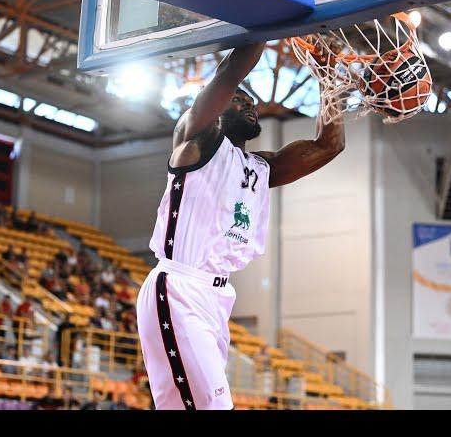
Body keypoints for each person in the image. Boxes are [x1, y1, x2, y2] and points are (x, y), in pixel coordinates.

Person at [136, 42, 345, 410]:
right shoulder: (194, 141)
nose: (249, 105)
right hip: (180, 286)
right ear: (217, 107)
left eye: (252, 103)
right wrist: (265, 22)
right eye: (239, 100)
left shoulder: (261, 168)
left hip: (218, 299)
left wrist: (328, 77)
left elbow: (329, 145)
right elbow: (230, 71)